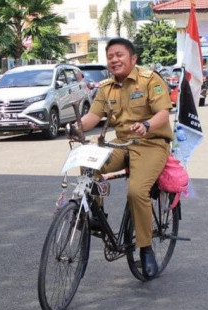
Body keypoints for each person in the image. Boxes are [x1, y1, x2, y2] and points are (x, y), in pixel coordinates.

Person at [74, 38, 173, 280]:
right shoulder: (106, 87)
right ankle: (97, 215)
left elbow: (163, 112)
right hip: (122, 144)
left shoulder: (150, 79)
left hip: (151, 143)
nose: (114, 60)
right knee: (89, 162)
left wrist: (147, 124)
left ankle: (146, 248)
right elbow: (92, 117)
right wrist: (76, 128)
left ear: (133, 59)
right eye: (110, 57)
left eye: (119, 55)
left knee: (136, 191)